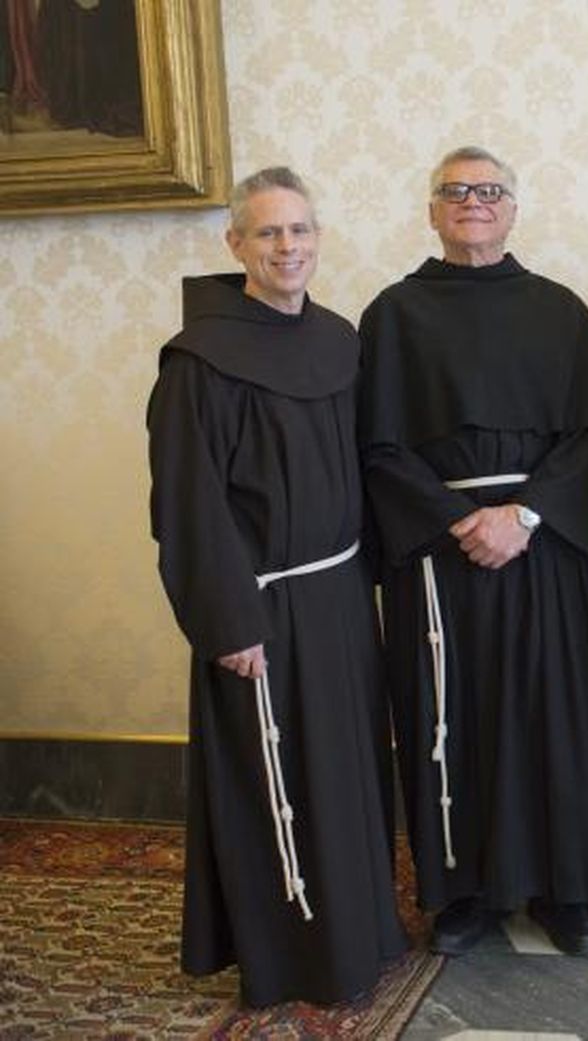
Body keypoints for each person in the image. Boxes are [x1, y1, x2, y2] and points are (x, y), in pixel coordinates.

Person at [147, 167, 407, 1007]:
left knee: (347, 771)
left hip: (338, 596)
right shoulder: (201, 361)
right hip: (259, 607)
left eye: (299, 231)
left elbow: (362, 476)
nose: (286, 247)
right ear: (236, 245)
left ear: (318, 238)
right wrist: (229, 620)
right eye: (267, 233)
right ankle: (294, 955)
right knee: (281, 776)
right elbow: (189, 503)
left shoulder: (338, 338)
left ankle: (360, 935)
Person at [358, 146, 588, 957]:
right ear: (431, 211)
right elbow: (375, 446)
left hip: (540, 549)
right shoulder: (393, 316)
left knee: (553, 713)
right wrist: (456, 519)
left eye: (490, 191)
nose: (473, 203)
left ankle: (564, 889)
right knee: (450, 715)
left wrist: (527, 516)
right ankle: (460, 890)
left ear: (513, 209)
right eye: (455, 192)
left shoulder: (563, 311)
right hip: (440, 557)